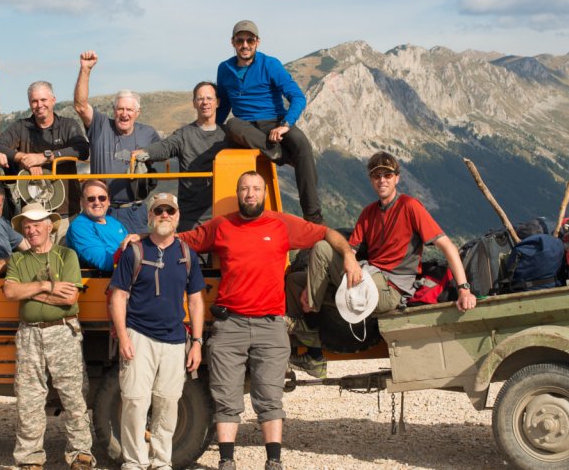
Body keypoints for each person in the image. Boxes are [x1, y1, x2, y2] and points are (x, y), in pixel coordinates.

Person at [179, 171, 361, 470]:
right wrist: (143, 239)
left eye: (255, 189)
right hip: (230, 325)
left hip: (270, 325)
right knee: (226, 398)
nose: (250, 194)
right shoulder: (221, 226)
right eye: (244, 189)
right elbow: (182, 240)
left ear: (263, 193)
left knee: (270, 398)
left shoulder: (281, 224)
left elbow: (326, 233)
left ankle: (273, 462)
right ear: (238, 194)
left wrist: (349, 256)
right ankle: (227, 461)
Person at [291, 152, 478, 378]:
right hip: (369, 276)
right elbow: (348, 251)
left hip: (391, 287)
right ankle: (313, 351)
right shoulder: (369, 213)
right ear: (371, 180)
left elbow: (447, 246)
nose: (382, 180)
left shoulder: (410, 206)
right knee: (299, 275)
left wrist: (464, 289)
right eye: (377, 175)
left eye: (387, 175)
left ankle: (306, 320)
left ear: (397, 178)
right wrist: (315, 281)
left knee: (320, 262)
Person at [108, 192, 205, 470]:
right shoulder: (134, 251)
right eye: (158, 211)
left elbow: (196, 300)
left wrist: (197, 342)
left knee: (168, 402)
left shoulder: (187, 255)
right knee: (135, 402)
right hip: (138, 336)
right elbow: (118, 297)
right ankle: (134, 462)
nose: (164, 215)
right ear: (149, 216)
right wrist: (124, 336)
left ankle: (162, 462)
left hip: (175, 340)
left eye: (169, 211)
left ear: (177, 217)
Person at [2, 203, 95, 470]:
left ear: (49, 226)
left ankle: (80, 454)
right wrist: (44, 285)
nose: (31, 230)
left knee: (74, 394)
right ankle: (30, 458)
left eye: (36, 225)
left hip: (63, 330)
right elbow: (9, 292)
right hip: (30, 333)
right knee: (29, 397)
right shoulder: (18, 259)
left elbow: (70, 297)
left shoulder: (67, 255)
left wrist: (27, 290)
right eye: (26, 226)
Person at [216, 20, 324, 225]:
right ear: (233, 42)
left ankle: (313, 216)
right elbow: (224, 104)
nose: (245, 45)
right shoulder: (224, 69)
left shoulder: (270, 64)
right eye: (240, 40)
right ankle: (278, 154)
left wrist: (285, 124)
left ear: (257, 42)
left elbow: (298, 97)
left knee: (302, 144)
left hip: (275, 121)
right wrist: (210, 129)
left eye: (250, 40)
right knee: (232, 125)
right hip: (245, 126)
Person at [74, 50, 161, 234]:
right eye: (120, 109)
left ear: (137, 112)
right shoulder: (101, 125)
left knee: (137, 257)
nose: (124, 113)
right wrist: (85, 70)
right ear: (113, 110)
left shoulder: (149, 133)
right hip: (102, 209)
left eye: (129, 109)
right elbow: (81, 106)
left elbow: (163, 154)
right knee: (105, 259)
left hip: (135, 211)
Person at [0, 81, 90, 229]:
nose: (39, 105)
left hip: (66, 212)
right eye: (34, 101)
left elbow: (82, 149)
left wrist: (45, 157)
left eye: (43, 100)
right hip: (33, 214)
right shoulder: (21, 126)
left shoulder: (68, 125)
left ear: (53, 100)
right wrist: (24, 158)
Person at [133, 81, 227, 231]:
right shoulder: (184, 134)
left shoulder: (228, 135)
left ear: (218, 102)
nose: (205, 103)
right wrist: (145, 152)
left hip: (222, 213)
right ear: (194, 103)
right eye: (200, 99)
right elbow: (165, 147)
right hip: (190, 217)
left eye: (209, 98)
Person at [66, 179, 127, 271]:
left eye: (102, 198)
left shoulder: (113, 222)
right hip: (104, 280)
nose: (97, 202)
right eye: (91, 199)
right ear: (82, 202)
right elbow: (104, 263)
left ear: (108, 201)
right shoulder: (80, 227)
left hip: (124, 272)